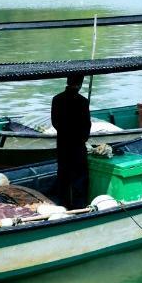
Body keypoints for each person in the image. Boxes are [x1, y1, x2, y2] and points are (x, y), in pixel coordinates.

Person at [51, 73, 91, 209]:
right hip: (78, 144)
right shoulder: (83, 102)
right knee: (79, 176)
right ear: (80, 84)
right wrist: (82, 139)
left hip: (62, 143)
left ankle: (63, 204)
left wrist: (64, 133)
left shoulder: (56, 99)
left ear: (67, 81)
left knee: (63, 174)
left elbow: (55, 122)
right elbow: (87, 125)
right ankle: (79, 206)